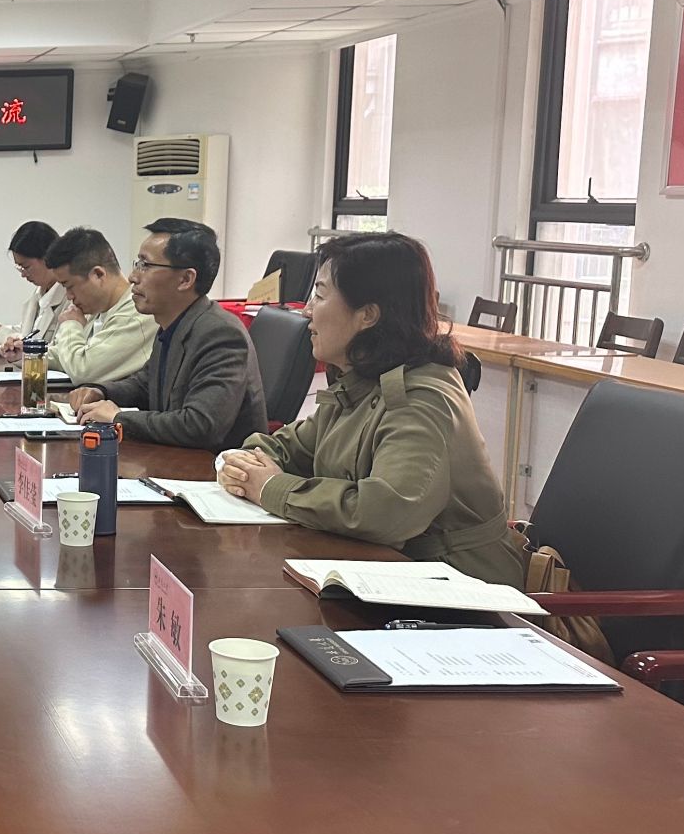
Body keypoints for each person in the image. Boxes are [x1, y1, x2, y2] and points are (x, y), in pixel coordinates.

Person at [218, 232, 526, 586]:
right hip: (384, 573)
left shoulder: (422, 397)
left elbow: (386, 513)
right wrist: (246, 465)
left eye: (319, 295)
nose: (306, 310)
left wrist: (271, 487)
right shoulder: (359, 381)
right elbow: (288, 447)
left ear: (367, 315)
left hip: (460, 588)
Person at [71, 218, 267, 451]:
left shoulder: (221, 334)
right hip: (177, 457)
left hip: (215, 467)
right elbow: (146, 384)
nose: (133, 277)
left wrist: (117, 418)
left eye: (145, 265)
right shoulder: (172, 323)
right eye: (137, 263)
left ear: (185, 279)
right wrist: (101, 391)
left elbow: (200, 425)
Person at [41, 227, 155, 386]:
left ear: (98, 274)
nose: (69, 296)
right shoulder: (99, 309)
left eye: (69, 286)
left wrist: (71, 325)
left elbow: (83, 372)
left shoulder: (135, 315)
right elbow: (69, 356)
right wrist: (30, 353)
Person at [0, 221, 69, 358]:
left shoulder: (70, 299)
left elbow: (57, 351)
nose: (23, 274)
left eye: (26, 267)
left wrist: (1, 337)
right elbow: (28, 333)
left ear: (48, 258)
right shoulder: (40, 294)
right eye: (20, 268)